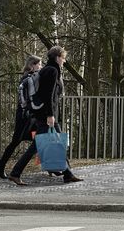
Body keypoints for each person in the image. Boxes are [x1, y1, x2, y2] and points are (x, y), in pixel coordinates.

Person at [7, 45, 81, 185]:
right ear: (57, 57)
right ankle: (15, 173)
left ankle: (68, 174)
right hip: (46, 115)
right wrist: (50, 115)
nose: (64, 61)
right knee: (36, 146)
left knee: (57, 143)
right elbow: (49, 95)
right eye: (63, 58)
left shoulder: (47, 69)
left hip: (44, 113)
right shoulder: (52, 71)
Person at [0, 54, 43, 179]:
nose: (41, 67)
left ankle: (51, 165)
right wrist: (28, 110)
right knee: (16, 141)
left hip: (31, 115)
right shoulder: (27, 78)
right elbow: (24, 99)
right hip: (25, 115)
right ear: (32, 65)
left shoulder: (33, 77)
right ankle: (1, 165)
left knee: (40, 138)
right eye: (39, 64)